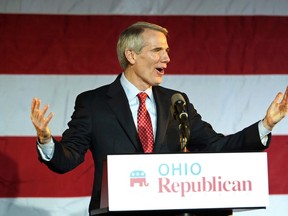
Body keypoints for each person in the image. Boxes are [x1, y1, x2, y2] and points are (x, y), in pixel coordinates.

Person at [31, 21, 288, 216]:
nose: (166, 58)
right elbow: (68, 158)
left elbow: (214, 146)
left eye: (166, 51)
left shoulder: (176, 101)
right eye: (157, 51)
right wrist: (46, 140)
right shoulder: (93, 103)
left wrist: (266, 125)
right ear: (131, 55)